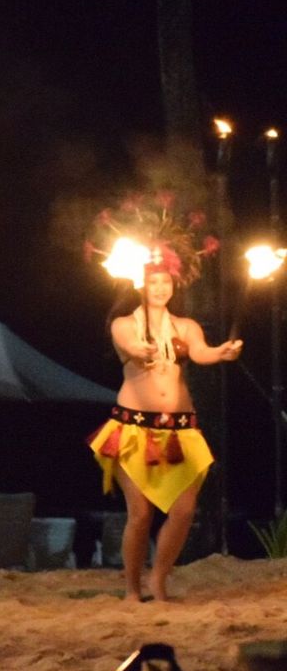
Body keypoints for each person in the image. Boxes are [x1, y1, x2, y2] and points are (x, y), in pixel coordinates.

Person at [88, 256, 240, 602]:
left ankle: (157, 578)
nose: (160, 288)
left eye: (165, 282)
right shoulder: (124, 324)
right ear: (140, 285)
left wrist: (221, 352)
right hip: (133, 431)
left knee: (184, 510)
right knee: (140, 514)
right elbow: (130, 346)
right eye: (153, 282)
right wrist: (139, 348)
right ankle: (131, 589)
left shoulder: (184, 326)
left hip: (179, 432)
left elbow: (200, 352)